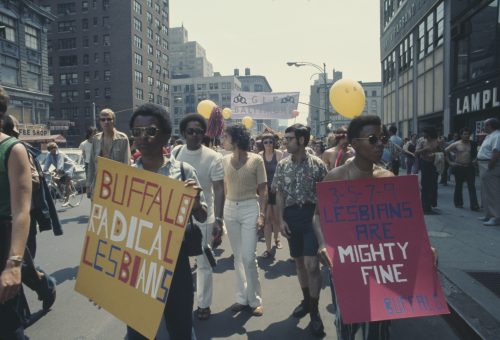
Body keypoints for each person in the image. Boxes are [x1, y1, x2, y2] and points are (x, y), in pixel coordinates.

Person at [126, 103, 207, 340]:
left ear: (164, 135)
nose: (142, 138)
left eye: (150, 131)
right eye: (137, 132)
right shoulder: (127, 176)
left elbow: (201, 216)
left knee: (180, 327)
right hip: (137, 263)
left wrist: (195, 202)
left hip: (175, 261)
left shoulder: (183, 171)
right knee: (138, 331)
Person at [321, 115, 393, 339]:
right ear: (354, 143)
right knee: (349, 323)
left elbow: (402, 223)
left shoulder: (388, 177)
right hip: (346, 261)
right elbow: (318, 216)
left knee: (380, 325)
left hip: (381, 261)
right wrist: (323, 243)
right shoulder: (336, 178)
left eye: (383, 138)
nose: (380, 144)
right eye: (373, 139)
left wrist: (422, 247)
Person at [272, 123, 329, 337]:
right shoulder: (283, 165)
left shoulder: (319, 165)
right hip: (291, 218)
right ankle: (306, 301)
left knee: (312, 265)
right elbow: (279, 194)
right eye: (285, 139)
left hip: (312, 217)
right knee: (298, 262)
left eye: (289, 138)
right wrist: (280, 220)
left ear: (302, 141)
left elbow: (326, 195)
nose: (285, 142)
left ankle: (315, 313)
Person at [172, 113, 225, 321]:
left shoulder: (214, 157)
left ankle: (204, 304)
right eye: (191, 131)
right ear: (183, 133)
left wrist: (218, 220)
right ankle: (177, 303)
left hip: (204, 216)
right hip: (176, 218)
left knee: (203, 264)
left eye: (199, 131)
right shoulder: (175, 153)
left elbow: (220, 190)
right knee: (177, 263)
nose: (195, 135)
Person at [222, 124, 267, 317]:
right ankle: (242, 298)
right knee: (238, 257)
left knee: (249, 257)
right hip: (230, 209)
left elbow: (263, 190)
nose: (222, 140)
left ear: (236, 139)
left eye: (226, 137)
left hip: (250, 207)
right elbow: (224, 187)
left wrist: (262, 214)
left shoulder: (256, 160)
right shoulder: (223, 160)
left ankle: (255, 300)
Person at [0, 86, 32, 339]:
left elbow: (21, 212)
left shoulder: (13, 149)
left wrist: (13, 264)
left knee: (7, 324)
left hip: (3, 239)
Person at [86, 108, 131, 196]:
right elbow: (91, 163)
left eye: (109, 119)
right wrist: (88, 184)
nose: (106, 122)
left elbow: (127, 163)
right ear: (100, 122)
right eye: (103, 119)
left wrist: (125, 186)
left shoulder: (122, 138)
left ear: (113, 121)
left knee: (115, 209)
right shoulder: (96, 139)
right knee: (98, 209)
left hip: (116, 183)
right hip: (99, 182)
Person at [258, 132, 283, 258]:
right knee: (267, 219)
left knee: (276, 218)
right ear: (262, 144)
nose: (268, 144)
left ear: (274, 143)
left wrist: (276, 186)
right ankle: (268, 249)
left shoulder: (278, 154)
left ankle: (277, 238)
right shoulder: (259, 156)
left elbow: (281, 172)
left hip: (276, 190)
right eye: (265, 142)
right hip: (264, 191)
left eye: (270, 141)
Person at [445, 127, 479, 211]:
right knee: (458, 185)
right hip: (459, 167)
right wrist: (450, 162)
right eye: (464, 134)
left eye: (468, 134)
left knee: (471, 186)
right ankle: (458, 203)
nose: (466, 136)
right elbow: (445, 151)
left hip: (469, 167)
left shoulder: (473, 143)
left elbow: (477, 153)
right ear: (461, 135)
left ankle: (474, 205)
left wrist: (475, 160)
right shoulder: (456, 144)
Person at [477, 118, 500, 226]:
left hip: (489, 165)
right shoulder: (489, 136)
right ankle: (488, 214)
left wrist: (490, 165)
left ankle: (496, 217)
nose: (483, 127)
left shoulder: (497, 136)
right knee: (485, 191)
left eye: (485, 125)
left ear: (490, 126)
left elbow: (496, 152)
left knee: (492, 192)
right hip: (483, 164)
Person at [415, 126, 441, 214]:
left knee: (433, 184)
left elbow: (443, 151)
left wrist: (434, 154)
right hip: (424, 163)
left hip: (434, 164)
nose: (422, 134)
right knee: (425, 185)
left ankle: (431, 204)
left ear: (428, 133)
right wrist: (425, 149)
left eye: (424, 132)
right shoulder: (421, 141)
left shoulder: (437, 141)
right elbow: (416, 152)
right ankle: (424, 206)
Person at [43, 142, 75, 207]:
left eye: (54, 149)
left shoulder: (60, 154)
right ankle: (62, 188)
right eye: (51, 150)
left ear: (56, 148)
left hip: (68, 167)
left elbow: (60, 166)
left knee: (67, 181)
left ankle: (67, 200)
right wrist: (44, 170)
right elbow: (47, 164)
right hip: (59, 169)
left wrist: (57, 174)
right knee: (54, 179)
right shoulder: (49, 154)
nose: (53, 151)